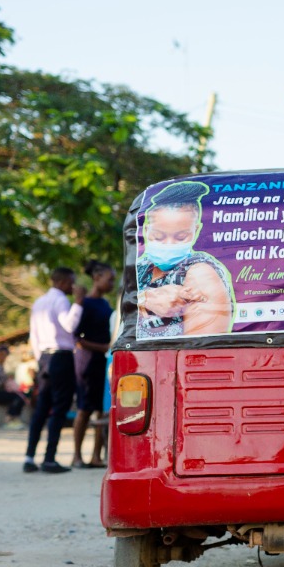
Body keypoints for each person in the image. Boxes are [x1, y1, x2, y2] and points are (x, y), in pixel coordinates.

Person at [136, 180, 234, 339]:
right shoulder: (140, 267)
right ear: (147, 230)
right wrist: (145, 298)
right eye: (158, 236)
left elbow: (201, 353)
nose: (169, 244)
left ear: (195, 230)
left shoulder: (200, 273)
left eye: (181, 237)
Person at [24, 267, 85, 474]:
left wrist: (40, 359)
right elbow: (69, 326)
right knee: (59, 408)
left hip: (44, 358)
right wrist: (78, 302)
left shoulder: (39, 302)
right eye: (71, 282)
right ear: (62, 282)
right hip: (61, 357)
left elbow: (33, 335)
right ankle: (49, 458)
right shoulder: (61, 300)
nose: (73, 286)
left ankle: (29, 457)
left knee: (41, 408)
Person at [71, 261, 115, 469]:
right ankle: (76, 455)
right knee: (84, 409)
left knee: (101, 409)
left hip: (102, 361)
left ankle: (96, 455)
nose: (112, 284)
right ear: (97, 279)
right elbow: (77, 337)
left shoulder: (106, 305)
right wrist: (103, 347)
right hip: (87, 361)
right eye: (110, 279)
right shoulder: (85, 304)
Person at [0, 344, 27, 429]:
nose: (3, 357)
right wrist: (5, 380)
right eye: (1, 354)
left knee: (20, 397)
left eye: (5, 355)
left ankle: (14, 419)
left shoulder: (1, 367)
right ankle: (9, 420)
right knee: (16, 398)